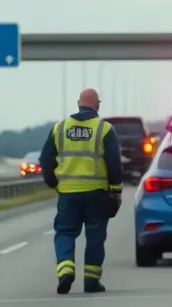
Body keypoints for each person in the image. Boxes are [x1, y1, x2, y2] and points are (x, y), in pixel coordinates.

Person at [39, 88, 124, 295]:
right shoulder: (104, 129)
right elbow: (114, 164)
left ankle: (66, 270)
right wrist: (117, 191)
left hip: (68, 193)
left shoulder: (60, 128)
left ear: (78, 103)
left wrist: (53, 183)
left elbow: (45, 159)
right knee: (95, 236)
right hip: (97, 193)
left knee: (65, 232)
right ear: (98, 105)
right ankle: (91, 281)